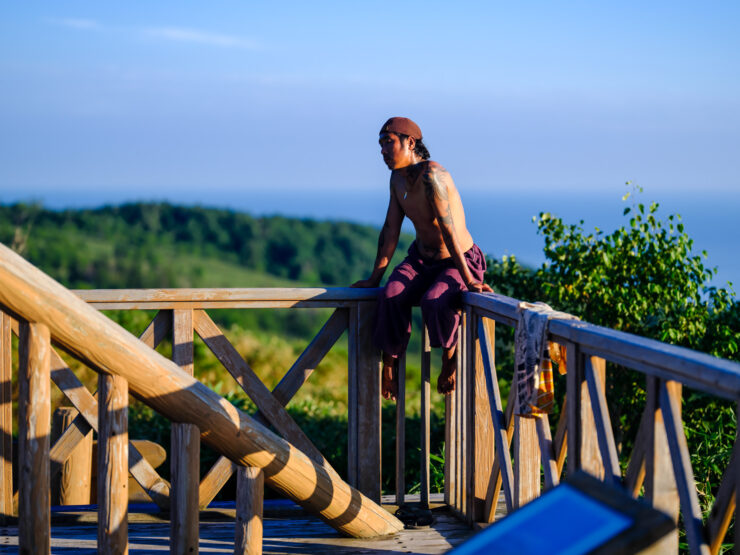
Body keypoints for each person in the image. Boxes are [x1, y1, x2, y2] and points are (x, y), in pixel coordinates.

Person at [352, 117, 493, 401]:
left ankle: (449, 358)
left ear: (410, 143)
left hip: (458, 260)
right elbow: (391, 229)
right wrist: (374, 279)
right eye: (380, 145)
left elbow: (449, 230)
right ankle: (389, 364)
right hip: (421, 259)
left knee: (434, 300)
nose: (382, 151)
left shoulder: (434, 176)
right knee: (390, 294)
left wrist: (470, 279)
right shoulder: (397, 180)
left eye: (388, 143)